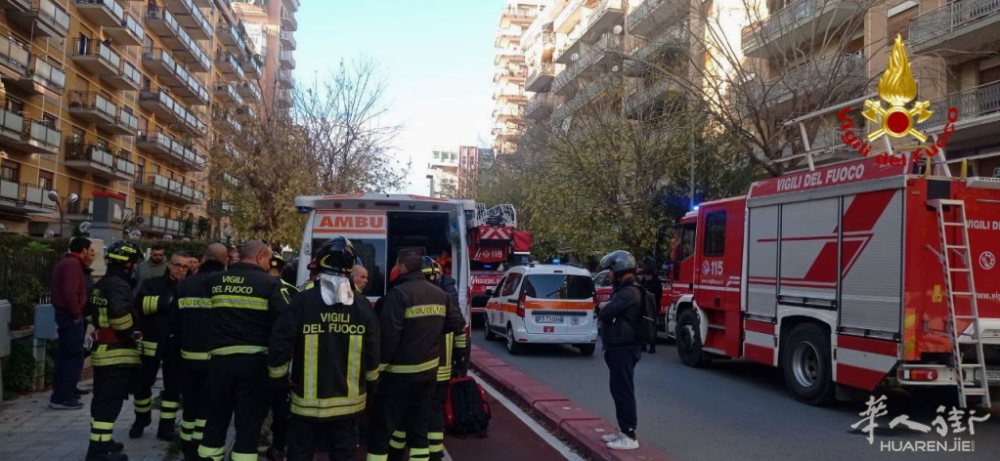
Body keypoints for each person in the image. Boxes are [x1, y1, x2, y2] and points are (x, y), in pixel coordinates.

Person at [269, 237, 380, 461]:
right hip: (348, 405)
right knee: (343, 454)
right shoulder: (362, 306)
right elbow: (373, 350)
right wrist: (371, 386)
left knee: (300, 454)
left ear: (320, 263)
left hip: (305, 405)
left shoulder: (303, 301)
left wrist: (278, 381)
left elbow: (280, 342)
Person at [366, 250, 466, 461]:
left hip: (398, 375)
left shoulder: (398, 295)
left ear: (401, 267)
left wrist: (377, 371)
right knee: (419, 429)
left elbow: (389, 338)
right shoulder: (441, 295)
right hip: (428, 374)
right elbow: (457, 324)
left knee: (382, 427)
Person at [198, 240, 290, 461]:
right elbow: (283, 328)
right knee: (248, 425)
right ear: (260, 256)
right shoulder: (269, 285)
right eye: (268, 259)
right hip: (253, 365)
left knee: (215, 420)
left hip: (219, 363)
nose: (269, 264)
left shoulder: (214, 281)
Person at [85, 240, 144, 461]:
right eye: (135, 262)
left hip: (102, 353)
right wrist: (131, 331)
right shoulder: (119, 286)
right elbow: (120, 317)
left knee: (101, 399)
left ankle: (102, 441)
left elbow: (89, 314)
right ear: (127, 264)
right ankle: (98, 453)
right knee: (109, 403)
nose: (136, 266)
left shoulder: (101, 284)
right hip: (117, 354)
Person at [174, 243, 229, 460]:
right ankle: (204, 445)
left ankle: (187, 447)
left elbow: (174, 322)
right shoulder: (224, 285)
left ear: (204, 259)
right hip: (215, 359)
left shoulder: (185, 285)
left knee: (190, 406)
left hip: (187, 356)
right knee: (211, 406)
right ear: (225, 261)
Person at [130, 252, 189, 440]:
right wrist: (167, 301)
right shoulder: (152, 283)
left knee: (173, 387)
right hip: (151, 342)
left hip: (176, 344)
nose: (180, 269)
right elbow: (139, 305)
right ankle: (141, 419)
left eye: (184, 266)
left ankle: (166, 427)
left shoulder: (189, 287)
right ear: (169, 264)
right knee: (142, 385)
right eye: (177, 265)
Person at [596, 250, 644, 451]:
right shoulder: (623, 290)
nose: (608, 274)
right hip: (618, 347)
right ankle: (622, 430)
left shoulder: (629, 292)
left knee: (623, 391)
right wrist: (604, 306)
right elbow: (605, 309)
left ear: (618, 268)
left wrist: (603, 306)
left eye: (609, 270)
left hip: (624, 348)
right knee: (618, 390)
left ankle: (629, 435)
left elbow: (606, 312)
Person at [50, 237, 93, 410]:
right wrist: (76, 314)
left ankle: (66, 390)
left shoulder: (66, 263)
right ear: (83, 250)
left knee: (66, 355)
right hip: (70, 316)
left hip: (65, 315)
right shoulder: (72, 265)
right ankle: (62, 397)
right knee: (73, 355)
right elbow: (70, 292)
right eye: (89, 250)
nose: (90, 253)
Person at [264, 251, 298, 461]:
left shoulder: (260, 288)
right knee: (281, 403)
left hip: (259, 355)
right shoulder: (293, 291)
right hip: (286, 358)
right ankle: (279, 444)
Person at [638, 257, 662, 354]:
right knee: (642, 325)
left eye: (648, 275)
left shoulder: (656, 282)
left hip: (653, 306)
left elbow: (659, 295)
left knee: (652, 326)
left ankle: (652, 346)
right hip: (643, 306)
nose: (646, 277)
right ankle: (643, 344)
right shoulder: (643, 281)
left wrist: (649, 294)